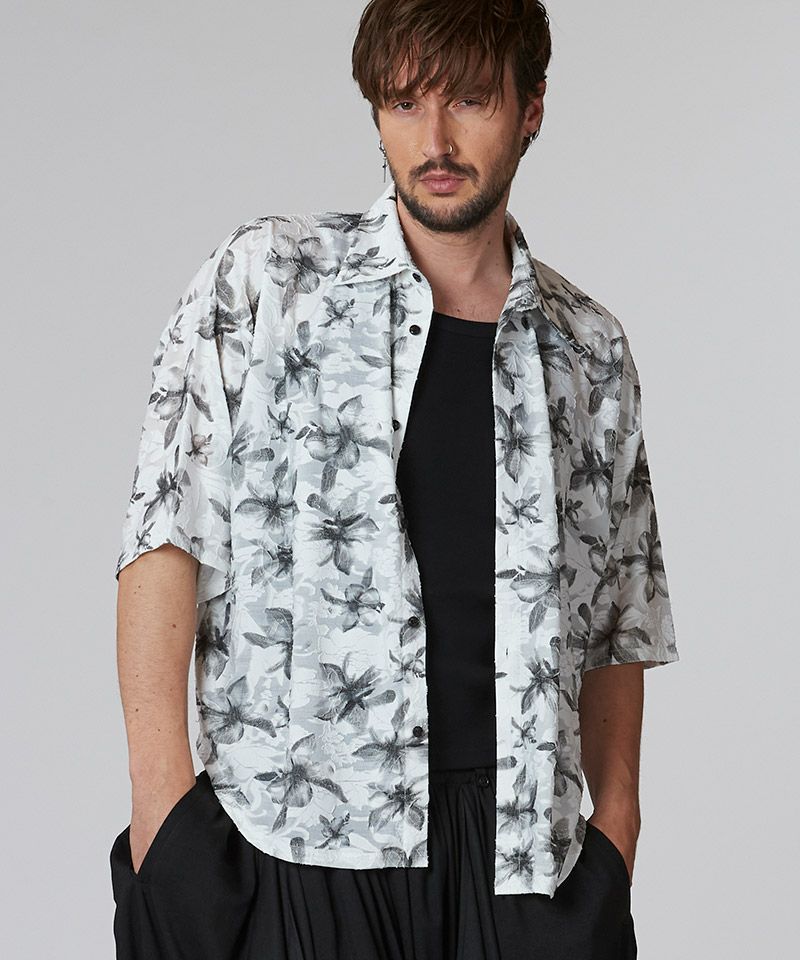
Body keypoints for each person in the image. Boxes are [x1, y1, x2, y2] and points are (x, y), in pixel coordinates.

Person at [109, 2, 679, 958]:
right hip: (294, 839)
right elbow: (164, 537)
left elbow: (620, 615)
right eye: (406, 103)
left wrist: (614, 834)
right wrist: (162, 816)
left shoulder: (589, 350)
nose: (436, 140)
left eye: (470, 100)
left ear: (531, 109)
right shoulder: (266, 283)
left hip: (521, 863)